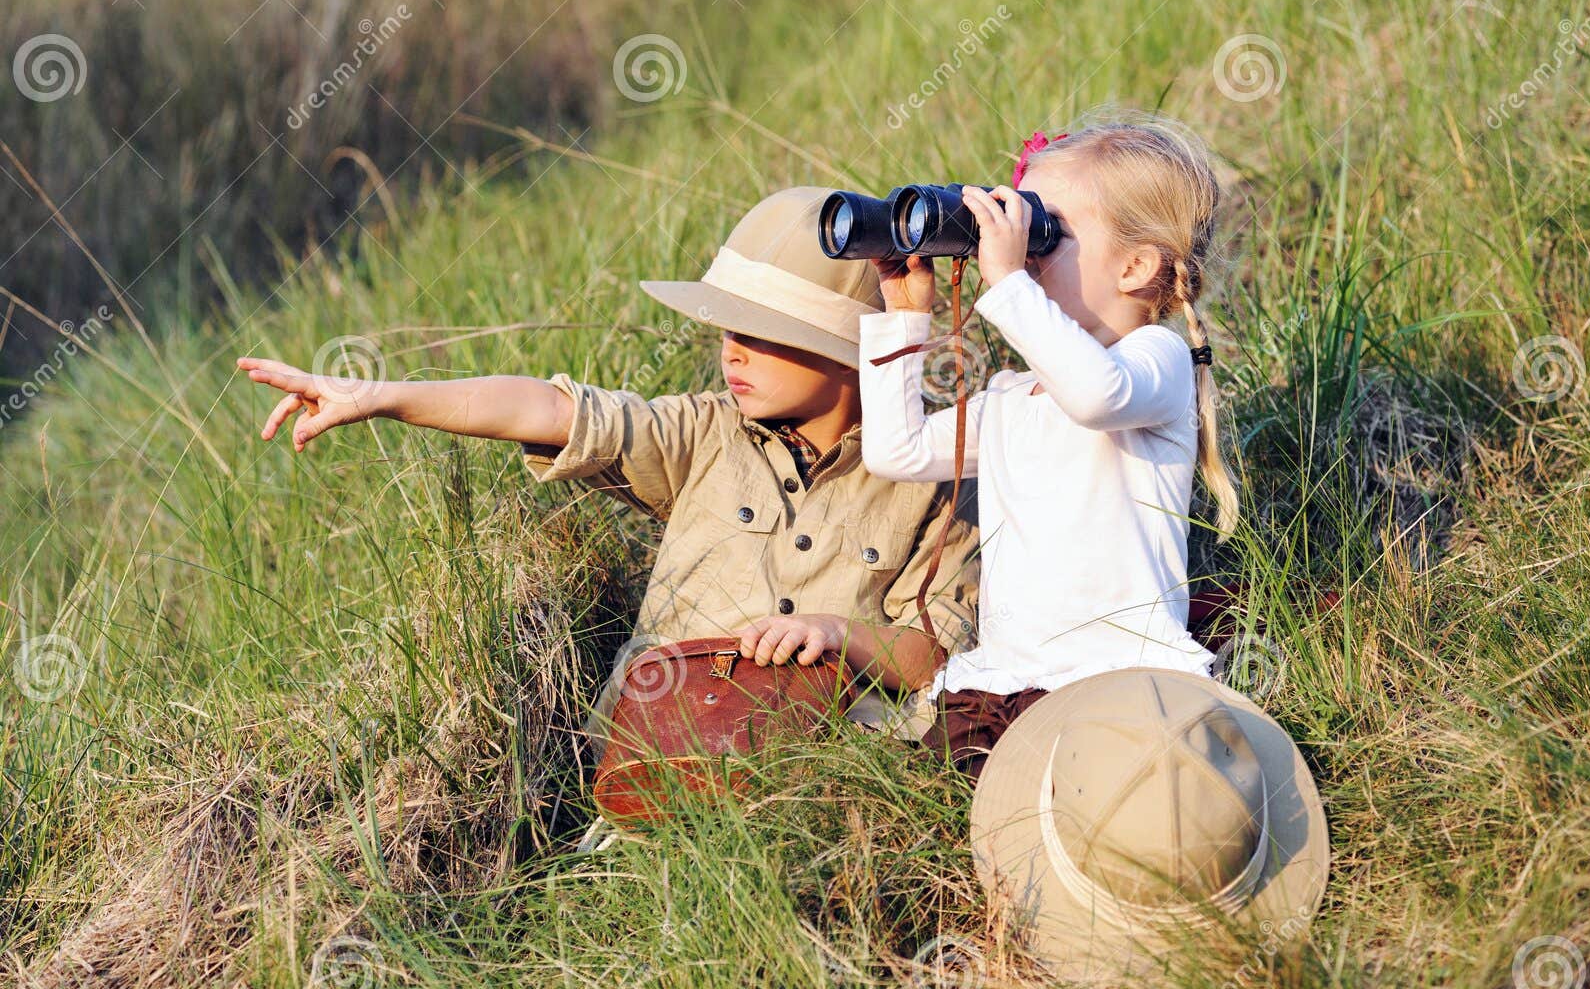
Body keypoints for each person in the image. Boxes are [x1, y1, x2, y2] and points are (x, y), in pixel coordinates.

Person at [237, 186, 980, 787]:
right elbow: (550, 411)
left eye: (762, 334)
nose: (732, 352)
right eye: (727, 328)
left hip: (820, 774)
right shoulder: (702, 435)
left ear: (853, 350)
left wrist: (837, 634)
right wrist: (378, 395)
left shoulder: (940, 474)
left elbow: (936, 654)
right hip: (657, 763)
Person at [859, 112, 1239, 782]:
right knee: (961, 784)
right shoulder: (1012, 397)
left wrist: (1009, 283)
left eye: (1044, 230)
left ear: (1136, 266)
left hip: (1116, 674)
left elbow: (1096, 395)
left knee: (1099, 788)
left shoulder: (1157, 359)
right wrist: (904, 317)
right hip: (1008, 678)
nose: (1020, 249)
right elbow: (897, 451)